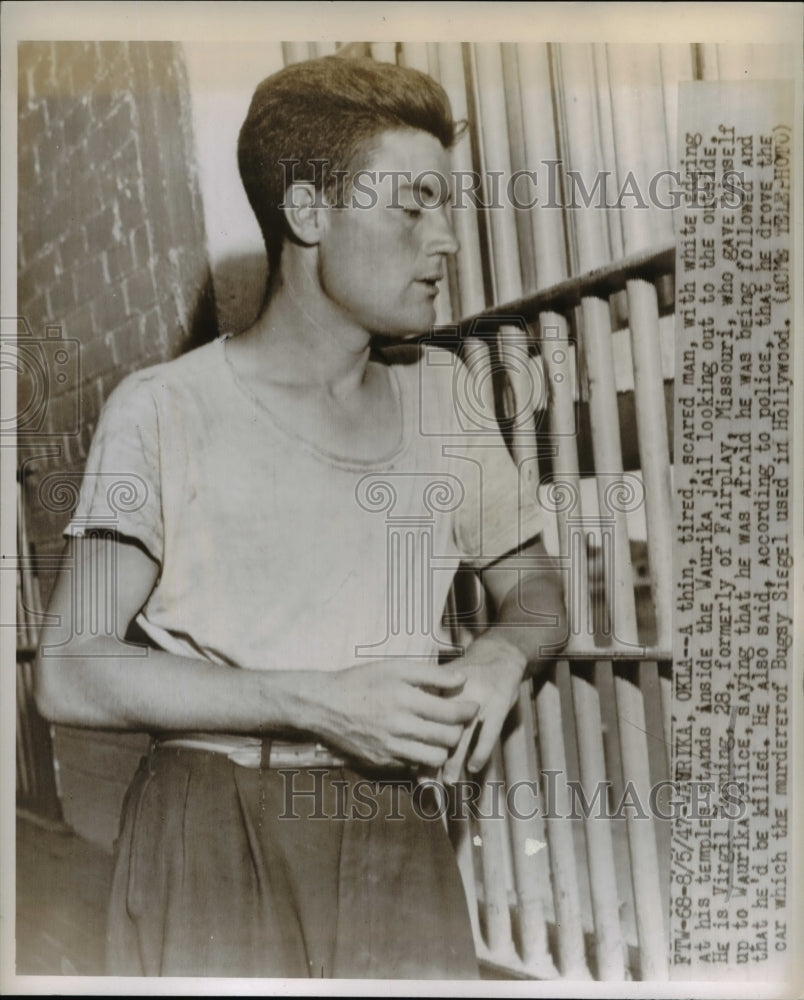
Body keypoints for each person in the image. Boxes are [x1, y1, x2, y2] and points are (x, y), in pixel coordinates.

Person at [35, 54, 566, 979]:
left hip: (395, 830)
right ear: (309, 212)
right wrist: (315, 702)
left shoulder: (445, 396)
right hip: (214, 830)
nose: (445, 240)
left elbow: (538, 596)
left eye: (446, 206)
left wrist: (501, 654)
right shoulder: (162, 409)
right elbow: (69, 671)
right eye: (413, 206)